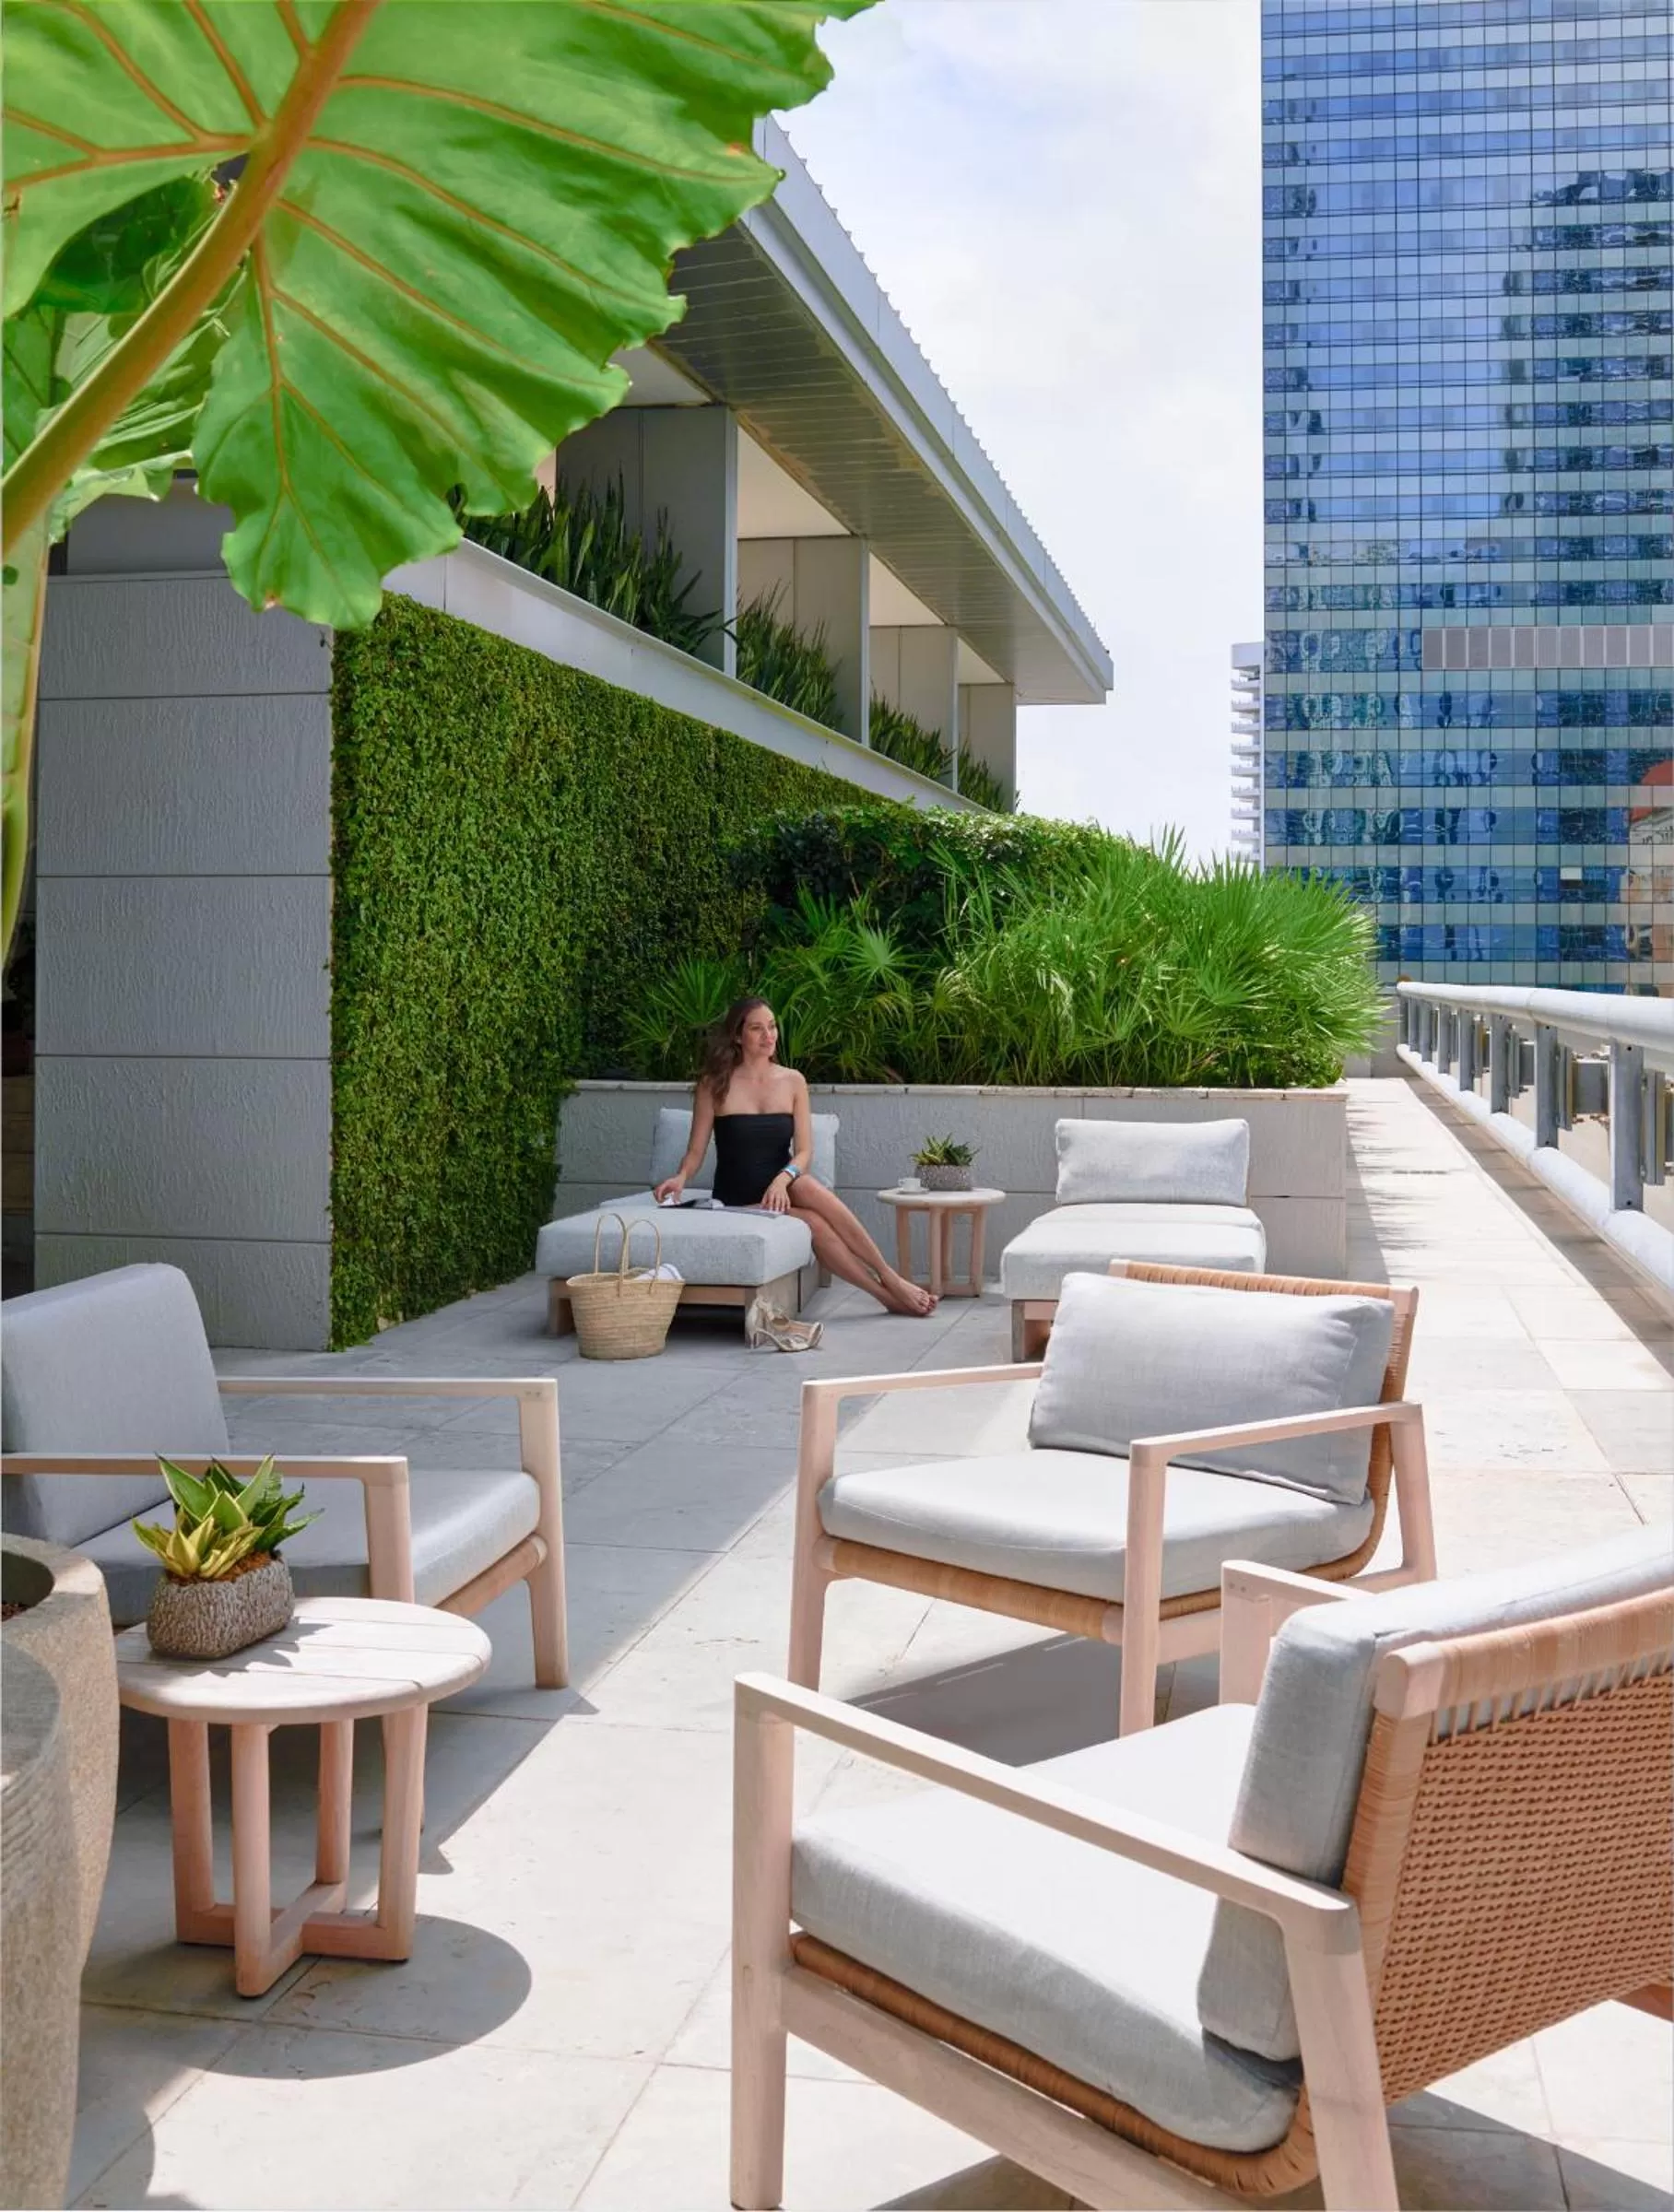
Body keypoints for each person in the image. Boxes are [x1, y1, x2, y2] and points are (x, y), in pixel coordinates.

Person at [654, 997, 937, 1318]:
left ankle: (888, 1280)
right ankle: (887, 1293)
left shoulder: (793, 1081)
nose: (768, 1036)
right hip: (739, 1197)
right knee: (814, 1221)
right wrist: (681, 1177)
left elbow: (804, 1152)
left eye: (772, 1026)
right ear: (737, 1036)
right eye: (757, 1028)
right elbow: (695, 1152)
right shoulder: (714, 1084)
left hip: (783, 1187)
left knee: (806, 1187)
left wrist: (781, 1179)